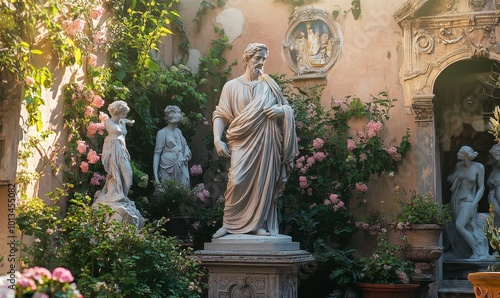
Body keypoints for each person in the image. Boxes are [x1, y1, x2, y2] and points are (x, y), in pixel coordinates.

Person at [211, 42, 298, 238]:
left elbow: (288, 109)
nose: (260, 62)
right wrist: (217, 140)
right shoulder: (231, 86)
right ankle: (229, 223)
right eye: (257, 58)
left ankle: (257, 224)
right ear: (247, 59)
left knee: (262, 183)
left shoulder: (270, 86)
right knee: (236, 179)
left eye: (263, 59)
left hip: (266, 142)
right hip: (241, 141)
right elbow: (220, 114)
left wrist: (280, 111)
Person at [93, 100, 144, 228]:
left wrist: (128, 122)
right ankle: (119, 198)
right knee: (116, 175)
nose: (126, 116)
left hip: (122, 150)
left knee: (128, 175)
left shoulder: (122, 121)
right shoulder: (107, 121)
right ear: (119, 112)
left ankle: (122, 198)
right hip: (112, 150)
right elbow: (100, 125)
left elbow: (125, 123)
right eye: (125, 113)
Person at [447, 145, 488, 259]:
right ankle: (463, 251)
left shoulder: (479, 167)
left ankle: (478, 251)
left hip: (469, 200)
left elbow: (481, 187)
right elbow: (450, 180)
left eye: (460, 152)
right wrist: (453, 176)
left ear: (465, 155)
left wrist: (474, 203)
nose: (457, 154)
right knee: (460, 227)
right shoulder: (458, 166)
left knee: (460, 225)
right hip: (456, 199)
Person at [153, 105, 191, 187]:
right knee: (167, 190)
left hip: (181, 164)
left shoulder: (179, 132)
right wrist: (156, 176)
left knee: (182, 189)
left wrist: (186, 156)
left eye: (177, 112)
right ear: (168, 117)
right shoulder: (162, 132)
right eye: (173, 113)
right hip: (167, 165)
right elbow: (157, 154)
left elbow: (185, 147)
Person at [488, 144, 500, 226]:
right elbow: (489, 184)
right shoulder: (495, 169)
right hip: (493, 197)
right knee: (496, 217)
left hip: (497, 196)